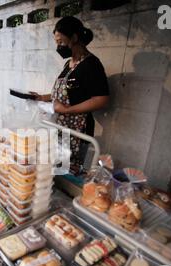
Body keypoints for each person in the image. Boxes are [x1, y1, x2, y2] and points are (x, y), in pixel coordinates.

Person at [31, 16, 110, 175]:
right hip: (60, 127)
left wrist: (68, 110)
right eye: (56, 42)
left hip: (77, 130)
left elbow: (101, 99)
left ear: (74, 37)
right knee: (56, 166)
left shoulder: (91, 64)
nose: (58, 46)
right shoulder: (69, 64)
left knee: (70, 170)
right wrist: (41, 98)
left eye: (60, 41)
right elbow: (60, 94)